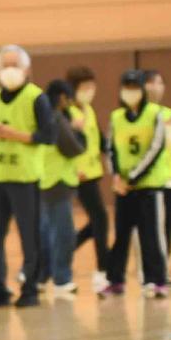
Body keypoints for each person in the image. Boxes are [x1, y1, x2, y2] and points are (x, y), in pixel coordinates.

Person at [0, 44, 51, 309]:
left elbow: (48, 135)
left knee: (28, 236)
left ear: (26, 69)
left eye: (14, 65)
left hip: (25, 177)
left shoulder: (36, 97)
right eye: (5, 65)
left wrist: (15, 134)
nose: (9, 70)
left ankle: (30, 287)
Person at [105, 69, 171, 298]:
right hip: (123, 187)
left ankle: (156, 280)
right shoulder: (116, 117)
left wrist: (134, 177)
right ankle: (115, 280)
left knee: (152, 234)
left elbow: (156, 147)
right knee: (121, 235)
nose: (131, 92)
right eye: (126, 87)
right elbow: (111, 149)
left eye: (134, 87)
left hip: (149, 185)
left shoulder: (155, 114)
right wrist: (117, 176)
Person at [36, 79, 85, 298]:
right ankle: (62, 279)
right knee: (63, 234)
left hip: (43, 179)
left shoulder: (41, 116)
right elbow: (73, 148)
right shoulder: (57, 118)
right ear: (63, 98)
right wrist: (79, 132)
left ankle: (39, 276)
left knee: (46, 233)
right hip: (58, 180)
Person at [63, 66, 110, 293]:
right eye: (84, 87)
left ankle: (63, 250)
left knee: (99, 220)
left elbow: (99, 140)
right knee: (100, 218)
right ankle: (102, 270)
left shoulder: (88, 110)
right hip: (76, 174)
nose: (89, 91)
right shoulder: (67, 113)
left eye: (92, 86)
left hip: (92, 172)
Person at [144, 69, 171, 258]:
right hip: (145, 181)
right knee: (148, 227)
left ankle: (163, 266)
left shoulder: (169, 114)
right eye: (151, 83)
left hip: (167, 177)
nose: (156, 87)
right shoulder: (136, 116)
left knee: (167, 226)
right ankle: (150, 266)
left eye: (160, 83)